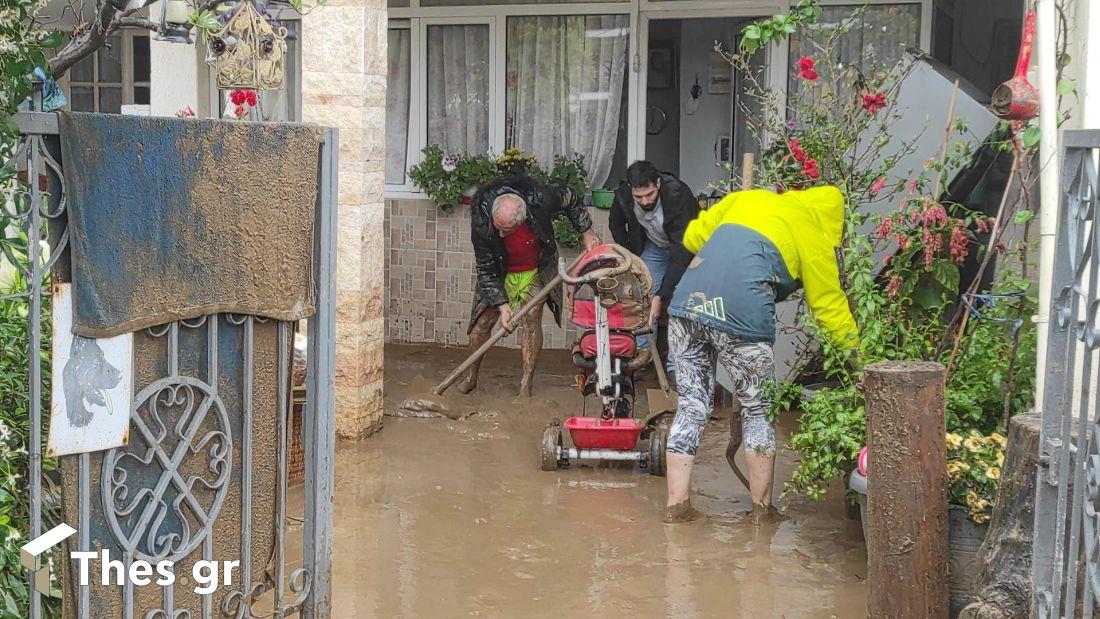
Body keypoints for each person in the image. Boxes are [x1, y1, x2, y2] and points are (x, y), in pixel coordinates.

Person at [659, 186, 859, 525]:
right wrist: (858, 360)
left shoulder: (747, 198)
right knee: (758, 412)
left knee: (691, 407)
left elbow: (693, 236)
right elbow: (829, 307)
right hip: (741, 314)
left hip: (686, 304)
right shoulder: (813, 231)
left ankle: (676, 507)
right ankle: (761, 513)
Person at [458, 174, 601, 397]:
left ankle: (526, 384)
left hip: (534, 268)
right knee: (481, 324)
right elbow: (485, 269)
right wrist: (503, 307)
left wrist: (587, 232)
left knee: (531, 319)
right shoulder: (481, 215)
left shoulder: (541, 199)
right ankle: (471, 377)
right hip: (498, 270)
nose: (501, 234)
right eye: (498, 228)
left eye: (507, 229)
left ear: (523, 219)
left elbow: (571, 197)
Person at [609, 161, 699, 371]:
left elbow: (682, 249)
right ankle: (644, 356)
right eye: (638, 196)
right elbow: (616, 224)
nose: (645, 201)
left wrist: (663, 294)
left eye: (649, 194)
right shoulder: (623, 195)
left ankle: (675, 368)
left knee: (679, 302)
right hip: (655, 246)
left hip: (687, 248)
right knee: (642, 296)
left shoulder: (678, 194)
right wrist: (631, 255)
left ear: (658, 183)